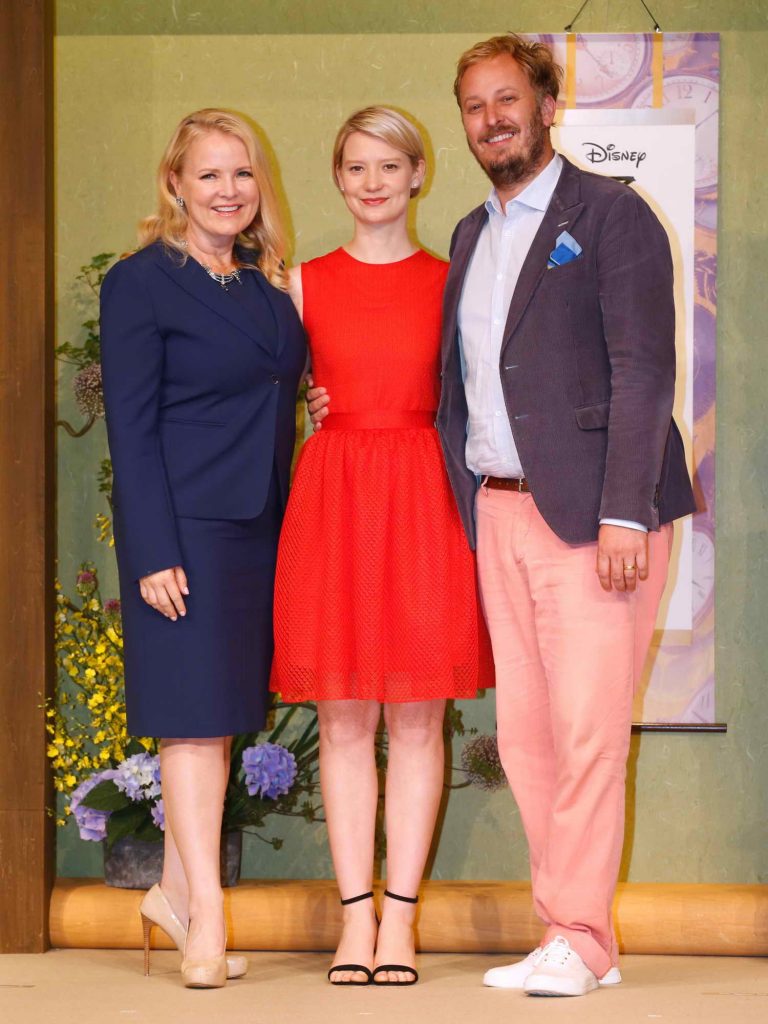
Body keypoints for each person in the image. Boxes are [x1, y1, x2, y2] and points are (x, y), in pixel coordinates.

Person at [308, 35, 696, 997]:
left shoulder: (611, 213)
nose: (493, 118)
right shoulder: (474, 238)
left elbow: (646, 371)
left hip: (594, 518)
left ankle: (582, 936)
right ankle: (571, 930)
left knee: (588, 735)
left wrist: (624, 515)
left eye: (507, 99)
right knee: (525, 738)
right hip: (497, 515)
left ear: (548, 103)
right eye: (474, 104)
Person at [272, 106, 492, 987]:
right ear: (338, 178)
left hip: (424, 499)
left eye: (387, 165)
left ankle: (400, 921)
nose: (371, 182)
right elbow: (258, 396)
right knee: (343, 719)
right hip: (334, 501)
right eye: (355, 166)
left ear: (417, 175)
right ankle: (352, 920)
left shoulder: (454, 281)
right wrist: (306, 408)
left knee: (418, 718)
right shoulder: (301, 281)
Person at [100, 108, 306, 989]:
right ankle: (206, 920)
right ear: (175, 184)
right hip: (181, 530)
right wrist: (150, 549)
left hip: (259, 524)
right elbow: (130, 426)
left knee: (222, 715)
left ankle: (174, 893)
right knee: (191, 718)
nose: (229, 191)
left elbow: (281, 383)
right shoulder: (141, 281)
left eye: (242, 174)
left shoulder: (265, 286)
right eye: (210, 174)